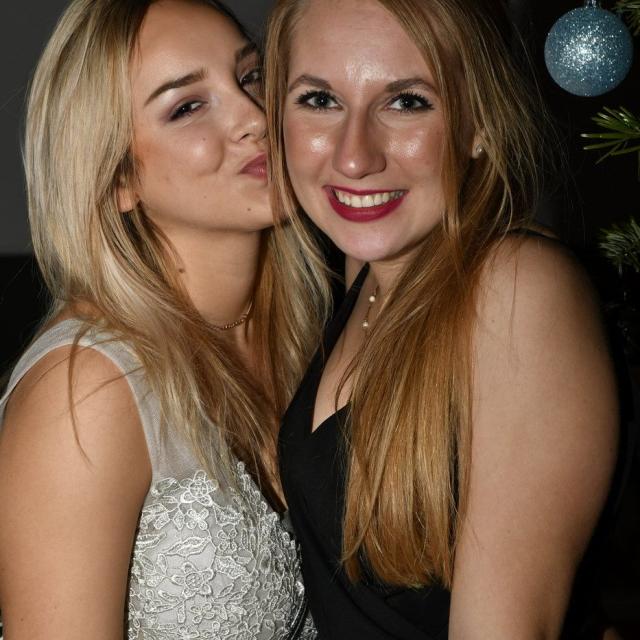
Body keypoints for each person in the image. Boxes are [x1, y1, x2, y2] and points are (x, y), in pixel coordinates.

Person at [265, 0, 620, 638]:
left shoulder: (518, 291)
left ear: (478, 123)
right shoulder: (368, 276)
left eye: (407, 102)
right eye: (320, 100)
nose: (354, 157)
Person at [0, 0, 326, 637]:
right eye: (187, 106)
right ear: (119, 177)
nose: (255, 118)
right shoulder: (86, 389)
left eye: (251, 76)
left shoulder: (313, 332)